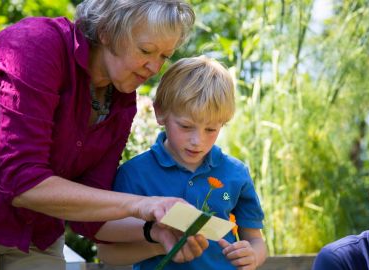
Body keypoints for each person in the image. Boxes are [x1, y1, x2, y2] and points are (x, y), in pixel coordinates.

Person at [0, 1, 209, 269]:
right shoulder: (37, 45)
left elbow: (91, 216)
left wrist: (153, 231)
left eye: (164, 56)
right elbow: (23, 182)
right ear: (107, 31)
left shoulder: (121, 102)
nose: (154, 68)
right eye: (146, 51)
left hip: (35, 235)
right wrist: (144, 204)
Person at [96, 55, 268, 269]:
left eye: (211, 129)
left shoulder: (236, 174)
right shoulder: (134, 174)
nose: (198, 141)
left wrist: (252, 255)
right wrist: (161, 243)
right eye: (186, 126)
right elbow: (107, 253)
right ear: (160, 113)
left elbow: (256, 240)